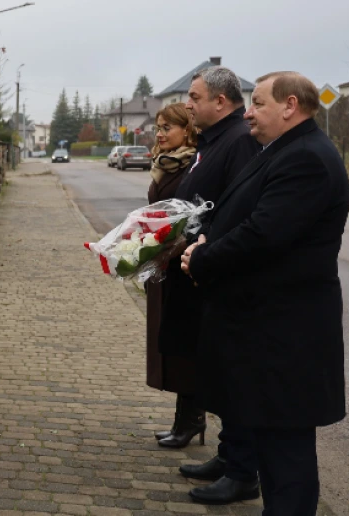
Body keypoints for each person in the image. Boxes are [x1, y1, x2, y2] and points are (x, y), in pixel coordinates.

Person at [181, 71, 349, 516]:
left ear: (290, 105)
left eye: (256, 103)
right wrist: (206, 241)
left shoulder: (307, 159)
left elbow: (263, 235)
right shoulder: (283, 150)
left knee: (286, 455)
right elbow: (243, 215)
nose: (248, 112)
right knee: (274, 447)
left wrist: (204, 258)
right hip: (268, 332)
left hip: (286, 335)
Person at [157, 67, 262, 505]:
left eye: (195, 97)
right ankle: (228, 456)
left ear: (221, 101)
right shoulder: (217, 139)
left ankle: (242, 469)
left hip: (214, 271)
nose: (191, 103)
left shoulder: (237, 141)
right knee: (215, 370)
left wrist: (200, 244)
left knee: (231, 376)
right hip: (198, 266)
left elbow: (237, 209)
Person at [144, 103, 199, 441]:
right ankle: (185, 419)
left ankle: (190, 420)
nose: (161, 134)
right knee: (172, 343)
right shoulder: (164, 164)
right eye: (158, 128)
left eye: (168, 128)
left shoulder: (192, 165)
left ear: (187, 130)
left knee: (184, 346)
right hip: (163, 263)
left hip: (183, 263)